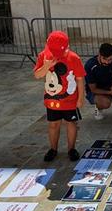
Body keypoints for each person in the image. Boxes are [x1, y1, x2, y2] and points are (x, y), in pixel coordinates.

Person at [33, 31, 85, 162]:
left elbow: (79, 79)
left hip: (70, 100)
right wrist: (46, 66)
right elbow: (37, 75)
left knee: (71, 123)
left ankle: (71, 149)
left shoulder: (74, 58)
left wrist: (80, 98)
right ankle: (53, 149)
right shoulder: (43, 56)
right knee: (53, 124)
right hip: (52, 100)